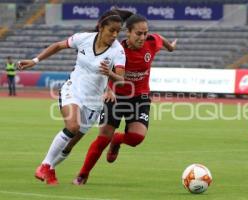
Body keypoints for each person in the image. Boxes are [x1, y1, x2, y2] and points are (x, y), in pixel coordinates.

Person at [18, 9, 133, 185]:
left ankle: (50, 170)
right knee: (72, 126)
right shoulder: (83, 38)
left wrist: (109, 74)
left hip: (94, 102)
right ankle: (45, 165)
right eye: (112, 30)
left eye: (118, 31)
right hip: (74, 89)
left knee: (71, 143)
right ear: (101, 27)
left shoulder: (118, 51)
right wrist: (35, 61)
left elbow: (121, 78)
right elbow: (57, 45)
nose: (115, 35)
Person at [73, 13, 177, 185]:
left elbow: (160, 39)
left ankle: (118, 139)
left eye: (145, 33)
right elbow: (104, 72)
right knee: (103, 138)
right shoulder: (117, 50)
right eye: (138, 33)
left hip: (140, 97)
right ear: (127, 32)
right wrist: (108, 90)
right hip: (116, 96)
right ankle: (83, 175)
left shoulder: (152, 41)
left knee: (137, 138)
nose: (142, 37)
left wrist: (171, 48)